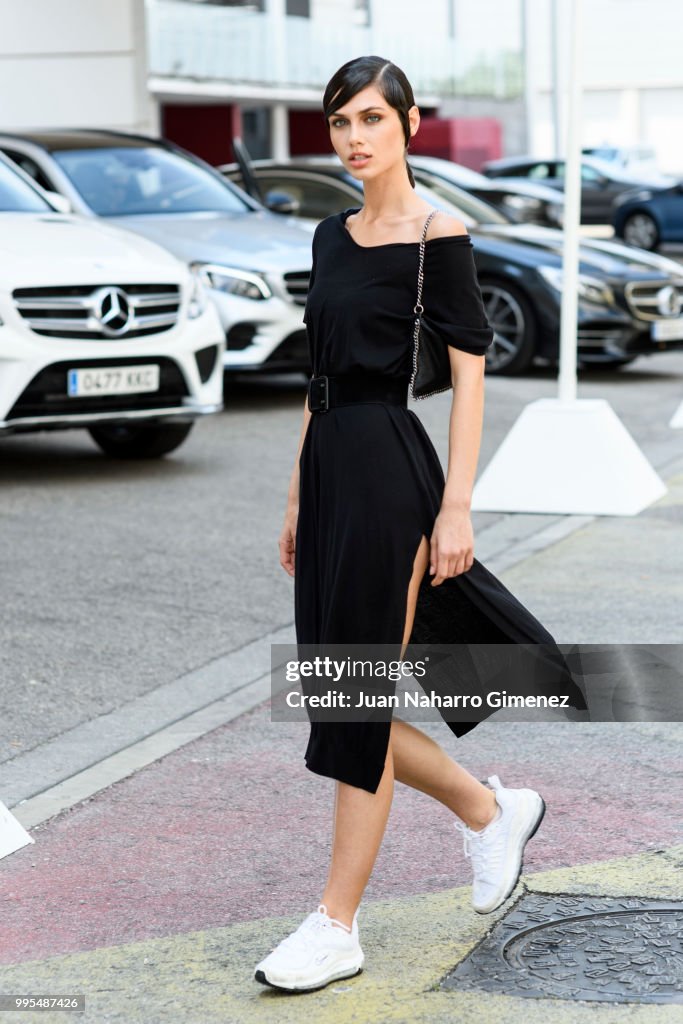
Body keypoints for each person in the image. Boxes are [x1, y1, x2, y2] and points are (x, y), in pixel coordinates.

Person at [254, 55, 587, 994]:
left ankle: (335, 923)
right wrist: (291, 496)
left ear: (406, 123)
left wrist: (456, 508)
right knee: (338, 691)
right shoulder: (329, 235)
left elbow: (469, 378)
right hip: (328, 475)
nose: (353, 139)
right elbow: (320, 381)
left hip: (394, 478)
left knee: (353, 694)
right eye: (338, 124)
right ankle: (490, 810)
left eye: (369, 119)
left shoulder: (442, 233)